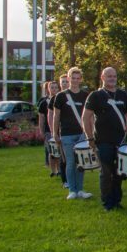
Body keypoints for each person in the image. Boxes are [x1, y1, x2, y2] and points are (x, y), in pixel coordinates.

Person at [82, 67, 127, 211]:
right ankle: (107, 202)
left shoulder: (122, 95)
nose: (112, 78)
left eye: (114, 76)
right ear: (102, 77)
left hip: (120, 141)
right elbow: (85, 117)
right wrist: (89, 138)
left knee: (119, 172)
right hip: (103, 141)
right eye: (109, 76)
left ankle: (117, 200)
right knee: (106, 173)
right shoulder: (95, 96)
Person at [52, 67, 91, 200]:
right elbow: (56, 116)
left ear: (80, 79)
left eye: (77, 78)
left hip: (81, 133)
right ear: (68, 79)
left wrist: (90, 132)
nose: (75, 81)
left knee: (80, 162)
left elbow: (90, 116)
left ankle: (80, 189)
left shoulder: (85, 95)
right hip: (66, 134)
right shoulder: (61, 96)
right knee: (70, 162)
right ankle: (72, 190)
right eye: (72, 78)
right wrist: (54, 133)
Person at [38, 81, 55, 175]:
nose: (54, 89)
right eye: (52, 87)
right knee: (51, 150)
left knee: (59, 152)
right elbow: (41, 118)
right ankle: (53, 170)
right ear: (48, 89)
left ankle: (59, 169)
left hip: (60, 130)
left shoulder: (61, 99)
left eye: (56, 87)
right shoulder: (44, 102)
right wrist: (41, 130)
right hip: (48, 130)